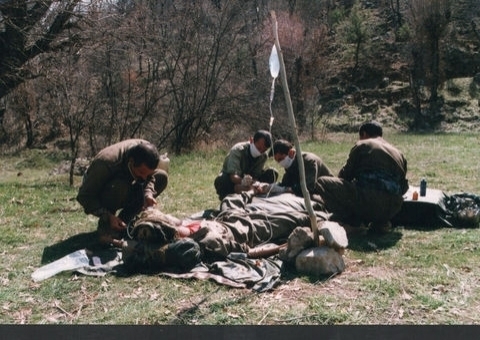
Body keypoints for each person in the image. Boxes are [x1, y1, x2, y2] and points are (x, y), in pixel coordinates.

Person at [314, 121, 409, 233]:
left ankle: (353, 221)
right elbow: (404, 187)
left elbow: (345, 176)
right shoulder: (398, 152)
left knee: (322, 182)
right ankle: (381, 222)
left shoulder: (363, 144)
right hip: (393, 207)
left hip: (370, 202)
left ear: (363, 134)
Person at [77, 139, 169, 246]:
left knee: (161, 177)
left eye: (147, 174)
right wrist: (108, 215)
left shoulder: (147, 153)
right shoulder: (106, 163)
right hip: (103, 192)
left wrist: (148, 193)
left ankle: (125, 223)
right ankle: (107, 230)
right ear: (131, 161)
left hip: (125, 186)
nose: (144, 178)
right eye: (141, 172)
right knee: (120, 186)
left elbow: (149, 177)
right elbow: (84, 196)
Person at [214, 130, 278, 200]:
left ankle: (255, 194)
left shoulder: (263, 156)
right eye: (258, 148)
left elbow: (256, 174)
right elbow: (233, 176)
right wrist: (243, 182)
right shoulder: (238, 150)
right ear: (251, 140)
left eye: (263, 150)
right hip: (234, 180)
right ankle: (229, 197)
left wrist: (254, 183)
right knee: (222, 180)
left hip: (250, 181)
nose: (260, 152)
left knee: (272, 173)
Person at [265, 139, 334, 197]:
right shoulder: (291, 163)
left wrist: (285, 189)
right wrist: (271, 187)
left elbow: (308, 188)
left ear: (291, 152)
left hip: (327, 192)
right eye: (277, 161)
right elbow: (286, 182)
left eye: (280, 159)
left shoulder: (309, 161)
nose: (280, 163)